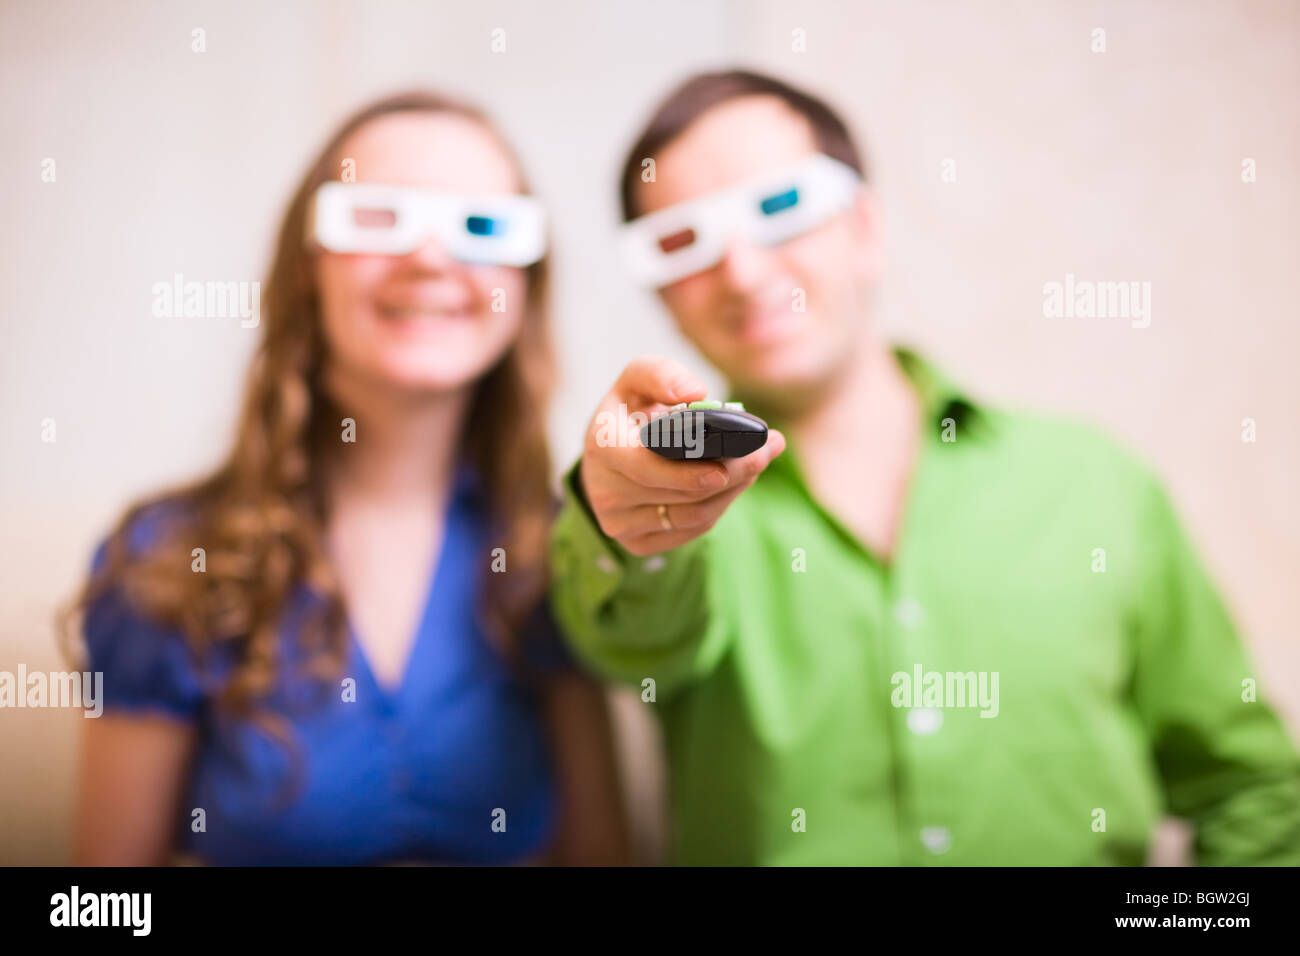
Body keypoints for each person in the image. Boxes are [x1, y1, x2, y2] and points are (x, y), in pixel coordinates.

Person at [549, 69, 1300, 865]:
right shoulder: (673, 520)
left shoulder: (1097, 485)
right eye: (682, 242)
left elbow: (1252, 795)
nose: (741, 270)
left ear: (865, 226)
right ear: (661, 294)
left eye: (779, 209)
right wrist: (625, 520)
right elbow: (631, 635)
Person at [67, 90, 629, 865]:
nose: (432, 257)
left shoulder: (555, 553)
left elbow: (602, 852)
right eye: (378, 217)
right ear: (309, 271)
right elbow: (101, 900)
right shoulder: (167, 562)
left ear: (524, 287)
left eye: (481, 226)